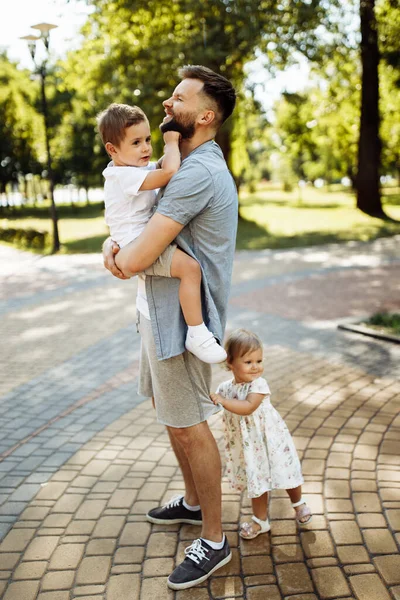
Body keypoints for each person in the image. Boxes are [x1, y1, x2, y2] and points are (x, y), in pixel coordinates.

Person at [102, 65, 238, 590]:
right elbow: (130, 223)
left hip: (179, 321)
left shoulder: (198, 172)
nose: (167, 103)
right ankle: (193, 501)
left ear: (204, 116)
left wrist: (116, 257)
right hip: (153, 309)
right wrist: (114, 248)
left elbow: (137, 256)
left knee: (188, 422)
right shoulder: (182, 163)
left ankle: (214, 537)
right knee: (169, 411)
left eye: (178, 98)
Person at [97, 103, 226, 364]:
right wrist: (170, 142)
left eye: (147, 139)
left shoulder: (134, 169)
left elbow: (163, 167)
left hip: (137, 242)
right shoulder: (122, 176)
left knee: (188, 269)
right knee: (190, 269)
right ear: (112, 149)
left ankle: (197, 331)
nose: (145, 147)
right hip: (137, 246)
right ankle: (197, 333)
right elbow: (169, 172)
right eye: (136, 142)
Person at [210, 329, 312, 539]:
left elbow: (248, 407)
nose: (256, 366)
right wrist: (214, 399)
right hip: (247, 445)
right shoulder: (225, 389)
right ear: (230, 362)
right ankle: (260, 521)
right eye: (248, 362)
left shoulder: (258, 384)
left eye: (259, 360)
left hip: (270, 439)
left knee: (285, 470)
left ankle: (298, 503)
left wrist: (222, 401)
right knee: (256, 480)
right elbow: (217, 403)